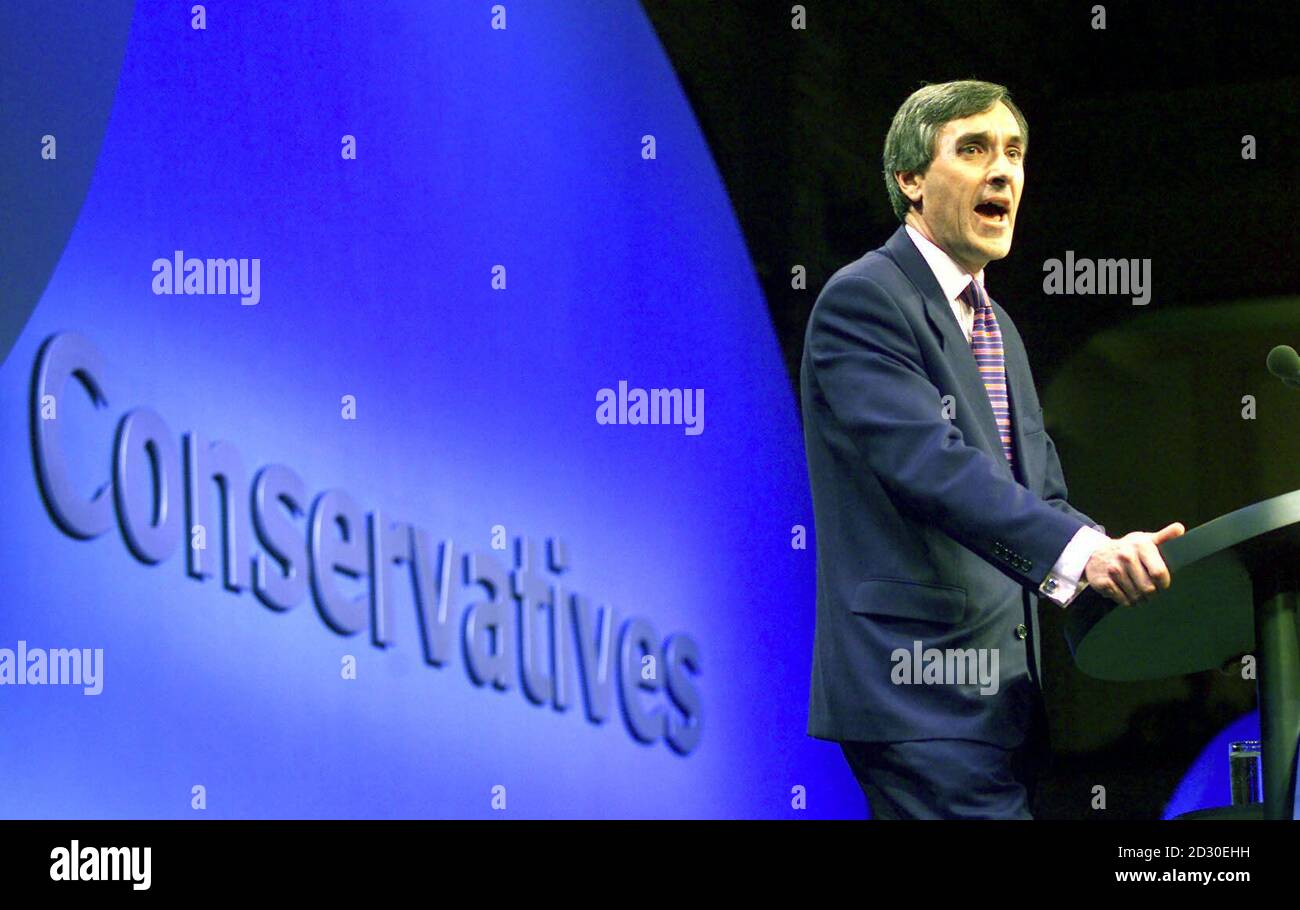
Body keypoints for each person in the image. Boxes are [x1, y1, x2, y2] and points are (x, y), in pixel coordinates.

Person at [800, 79, 1185, 819]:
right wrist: (1082, 553)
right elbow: (931, 466)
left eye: (1013, 151)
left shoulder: (996, 324)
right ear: (910, 180)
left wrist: (1112, 552)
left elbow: (1037, 494)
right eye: (973, 150)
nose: (1003, 170)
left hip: (1002, 705)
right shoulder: (866, 299)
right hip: (917, 690)